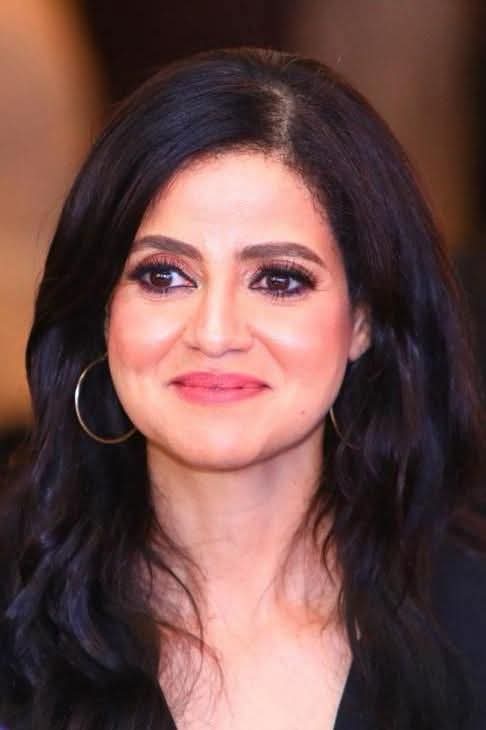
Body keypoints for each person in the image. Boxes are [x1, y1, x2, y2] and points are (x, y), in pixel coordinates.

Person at [0, 47, 485, 730]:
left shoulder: (470, 626)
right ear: (101, 310)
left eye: (279, 279)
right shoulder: (15, 616)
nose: (215, 331)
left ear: (363, 321)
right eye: (163, 276)